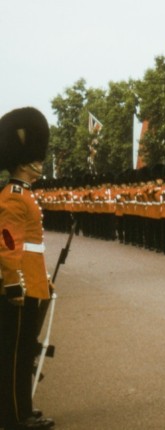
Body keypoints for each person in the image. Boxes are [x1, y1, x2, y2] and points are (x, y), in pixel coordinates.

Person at [0, 107, 56, 429]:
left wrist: (42, 281)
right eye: (36, 156)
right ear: (23, 161)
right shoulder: (13, 197)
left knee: (25, 354)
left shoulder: (24, 195)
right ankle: (14, 416)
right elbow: (9, 245)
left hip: (32, 281)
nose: (40, 161)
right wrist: (14, 284)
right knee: (16, 355)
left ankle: (24, 409)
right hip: (20, 286)